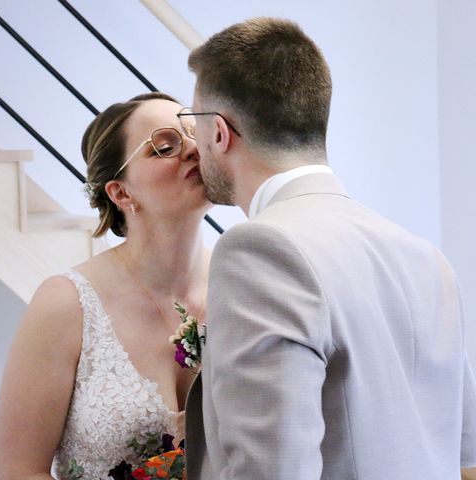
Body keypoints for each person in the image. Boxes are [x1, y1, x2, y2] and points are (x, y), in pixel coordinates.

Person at [181, 17, 476, 479]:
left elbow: (271, 470)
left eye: (191, 122)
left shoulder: (258, 249)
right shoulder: (425, 257)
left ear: (219, 132)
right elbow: (463, 460)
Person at [0, 93, 211, 479]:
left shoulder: (243, 284)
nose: (192, 148)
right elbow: (16, 472)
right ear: (121, 193)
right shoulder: (66, 304)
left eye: (195, 132)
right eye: (164, 147)